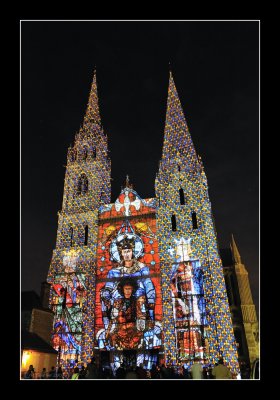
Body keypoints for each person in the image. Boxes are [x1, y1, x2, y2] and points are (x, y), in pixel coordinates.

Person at [100, 235, 156, 347]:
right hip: (120, 298)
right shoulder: (114, 272)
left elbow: (148, 285)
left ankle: (141, 324)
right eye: (124, 252)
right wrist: (105, 294)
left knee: (141, 300)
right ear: (120, 253)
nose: (126, 254)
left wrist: (151, 298)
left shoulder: (142, 268)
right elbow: (109, 286)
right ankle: (113, 325)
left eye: (129, 251)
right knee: (115, 301)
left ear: (133, 252)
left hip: (138, 298)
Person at [105, 278, 146, 350]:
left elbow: (141, 317)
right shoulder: (118, 302)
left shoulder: (137, 302)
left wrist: (139, 329)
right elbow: (113, 318)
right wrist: (109, 331)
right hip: (120, 332)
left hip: (133, 332)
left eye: (129, 289)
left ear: (133, 289)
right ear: (122, 290)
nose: (128, 291)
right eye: (126, 289)